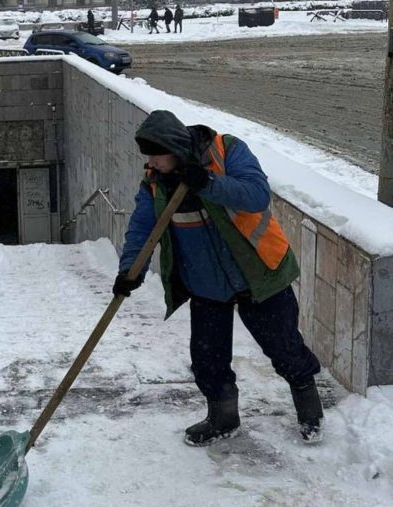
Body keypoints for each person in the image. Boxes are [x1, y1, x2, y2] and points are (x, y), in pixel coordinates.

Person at [113, 109, 324, 446]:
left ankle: (310, 410)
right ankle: (223, 418)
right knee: (208, 360)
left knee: (284, 347)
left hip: (258, 272)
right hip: (206, 284)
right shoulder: (155, 183)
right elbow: (142, 228)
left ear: (175, 147)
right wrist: (129, 270)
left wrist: (207, 183)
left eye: (156, 154)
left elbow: (257, 194)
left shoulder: (227, 150)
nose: (151, 162)